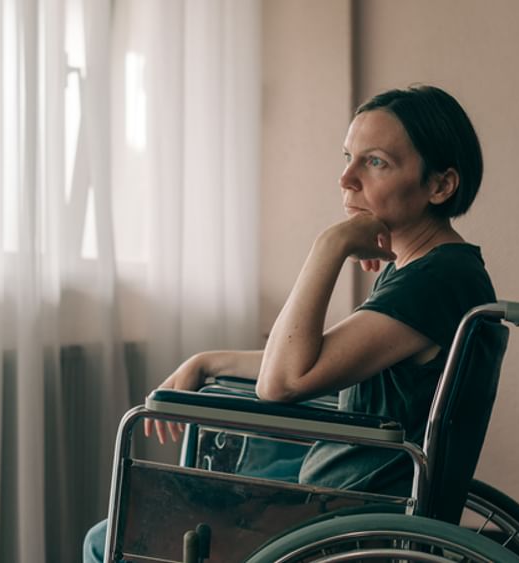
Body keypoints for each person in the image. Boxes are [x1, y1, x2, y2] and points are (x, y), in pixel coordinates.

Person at [83, 84, 495, 562]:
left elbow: (283, 381)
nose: (346, 179)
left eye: (375, 162)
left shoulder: (437, 280)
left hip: (349, 513)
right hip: (346, 491)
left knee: (107, 540)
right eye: (348, 157)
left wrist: (330, 245)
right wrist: (208, 361)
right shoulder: (432, 270)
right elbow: (315, 358)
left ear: (440, 186)